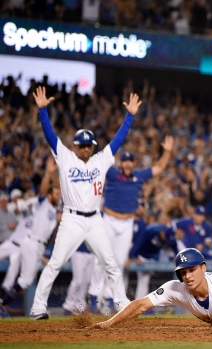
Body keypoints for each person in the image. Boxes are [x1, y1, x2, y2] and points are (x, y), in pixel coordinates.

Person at [29, 86, 139, 320]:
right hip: (72, 219)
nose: (86, 148)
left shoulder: (101, 160)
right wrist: (43, 112)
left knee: (110, 262)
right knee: (56, 263)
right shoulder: (65, 157)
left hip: (95, 220)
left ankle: (121, 303)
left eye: (89, 145)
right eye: (82, 145)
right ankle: (38, 307)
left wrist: (129, 116)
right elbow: (50, 134)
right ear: (75, 146)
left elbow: (118, 140)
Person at [89, 136, 173, 312]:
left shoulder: (138, 176)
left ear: (134, 164)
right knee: (101, 258)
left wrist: (167, 152)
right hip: (109, 220)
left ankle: (110, 297)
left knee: (118, 262)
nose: (127, 164)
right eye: (125, 161)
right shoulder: (112, 173)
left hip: (127, 222)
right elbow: (95, 163)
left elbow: (159, 168)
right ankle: (94, 294)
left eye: (130, 161)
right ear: (121, 163)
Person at [0, 158, 60, 313]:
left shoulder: (53, 210)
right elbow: (43, 190)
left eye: (59, 193)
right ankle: (4, 302)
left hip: (37, 246)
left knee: (27, 280)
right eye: (56, 193)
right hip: (32, 243)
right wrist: (48, 173)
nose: (58, 195)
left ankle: (4, 302)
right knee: (26, 280)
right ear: (49, 195)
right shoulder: (43, 204)